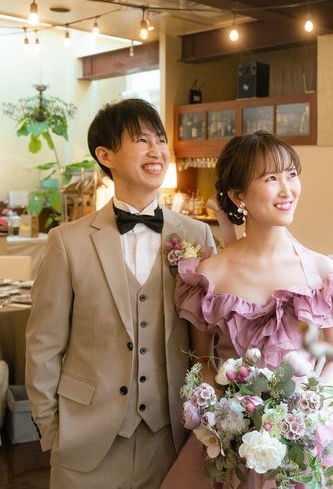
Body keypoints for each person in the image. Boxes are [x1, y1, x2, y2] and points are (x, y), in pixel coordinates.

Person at [162, 131, 333, 488]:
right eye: (271, 178)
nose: (287, 190)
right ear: (238, 196)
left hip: (303, 439)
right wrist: (227, 418)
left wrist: (307, 411)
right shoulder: (210, 275)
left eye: (291, 175)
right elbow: (202, 360)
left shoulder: (323, 272)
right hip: (228, 445)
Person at [26, 98, 216, 488]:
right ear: (105, 155)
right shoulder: (68, 242)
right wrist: (52, 430)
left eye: (160, 140)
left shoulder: (196, 236)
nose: (156, 151)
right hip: (85, 441)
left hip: (172, 439)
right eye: (141, 140)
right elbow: (43, 344)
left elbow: (207, 334)